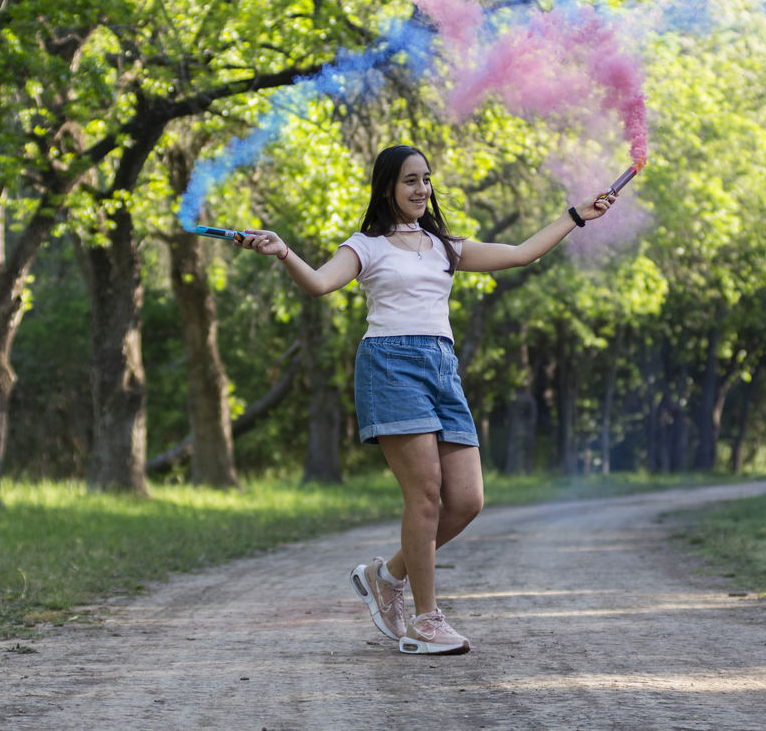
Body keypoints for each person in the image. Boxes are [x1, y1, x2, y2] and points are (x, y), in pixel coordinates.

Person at [238, 144, 615, 654]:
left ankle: (386, 575)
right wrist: (283, 251)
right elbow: (320, 284)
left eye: (426, 180)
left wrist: (577, 215)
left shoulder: (444, 247)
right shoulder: (366, 246)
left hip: (442, 368)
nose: (421, 189)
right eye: (410, 181)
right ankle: (426, 620)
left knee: (467, 501)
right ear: (388, 188)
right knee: (427, 493)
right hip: (389, 365)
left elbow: (523, 253)